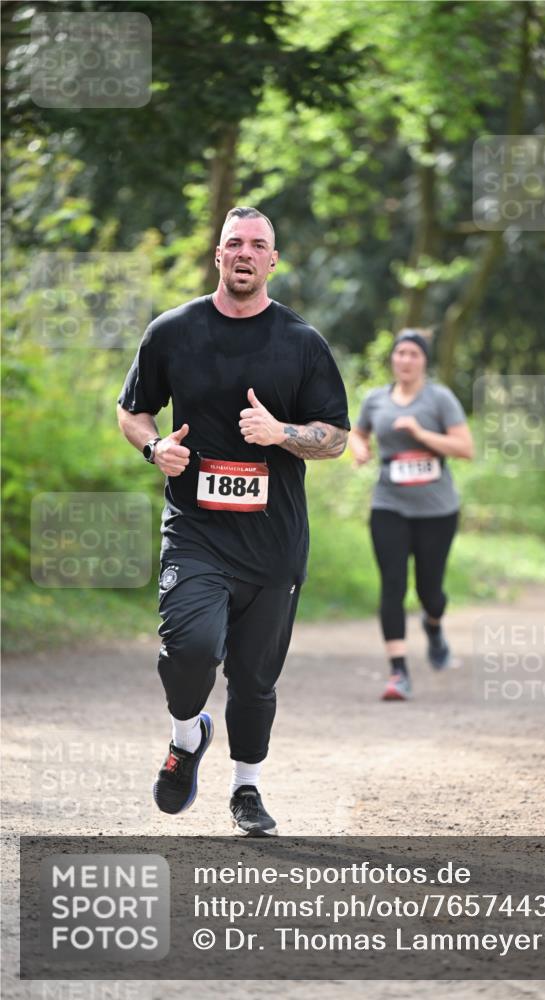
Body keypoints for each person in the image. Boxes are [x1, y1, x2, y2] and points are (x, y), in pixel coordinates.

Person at [117, 206, 349, 835]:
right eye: (233, 243)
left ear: (273, 260)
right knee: (189, 650)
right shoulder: (173, 331)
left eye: (258, 245)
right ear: (217, 255)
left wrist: (281, 432)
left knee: (253, 679)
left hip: (273, 542)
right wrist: (153, 449)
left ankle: (246, 788)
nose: (244, 253)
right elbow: (133, 410)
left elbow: (335, 438)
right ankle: (186, 736)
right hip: (195, 530)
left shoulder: (301, 343)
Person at [348, 330, 473, 701]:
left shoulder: (440, 398)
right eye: (400, 353)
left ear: (424, 361)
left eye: (413, 354)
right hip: (389, 503)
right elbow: (358, 432)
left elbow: (465, 448)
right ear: (393, 359)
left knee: (429, 591)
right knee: (392, 584)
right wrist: (360, 449)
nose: (405, 360)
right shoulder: (375, 400)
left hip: (437, 509)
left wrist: (421, 433)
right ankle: (398, 672)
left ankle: (433, 626)